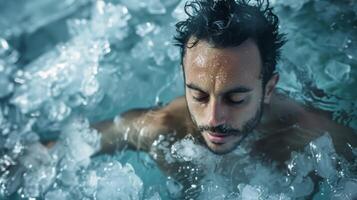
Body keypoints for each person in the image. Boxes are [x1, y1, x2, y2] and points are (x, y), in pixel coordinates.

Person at [91, 0, 356, 197]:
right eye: (199, 95)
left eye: (236, 99)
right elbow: (66, 149)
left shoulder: (315, 139)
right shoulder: (162, 128)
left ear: (269, 89)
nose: (213, 118)